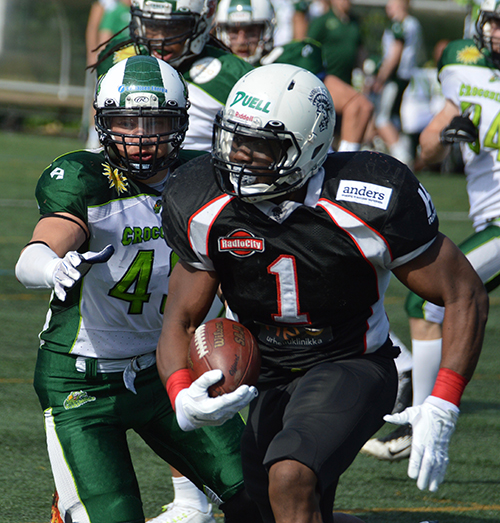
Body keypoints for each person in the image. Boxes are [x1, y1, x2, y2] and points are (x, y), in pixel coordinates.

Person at [155, 63, 488, 523]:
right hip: (265, 372)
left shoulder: (366, 196)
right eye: (235, 139)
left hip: (349, 361)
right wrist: (180, 393)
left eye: (261, 145)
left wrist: (444, 401)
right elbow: (181, 317)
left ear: (309, 146)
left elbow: (464, 293)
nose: (240, 157)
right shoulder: (200, 199)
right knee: (256, 510)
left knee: (290, 478)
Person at [15, 55, 262, 523]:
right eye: (127, 121)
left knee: (258, 496)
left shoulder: (205, 176)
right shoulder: (84, 178)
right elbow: (38, 250)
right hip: (82, 381)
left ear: (181, 122)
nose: (141, 135)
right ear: (103, 121)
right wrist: (53, 267)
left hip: (167, 367)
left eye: (156, 122)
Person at [363, 0, 500, 463]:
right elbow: (426, 146)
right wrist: (446, 135)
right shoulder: (463, 63)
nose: (498, 33)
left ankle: (421, 418)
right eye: (495, 23)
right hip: (488, 218)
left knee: (428, 300)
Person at [93, 0, 254, 158]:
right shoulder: (119, 58)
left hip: (199, 170)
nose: (160, 39)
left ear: (201, 22)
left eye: (174, 27)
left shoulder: (234, 74)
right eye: (152, 25)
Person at [213, 0, 373, 152]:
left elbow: (358, 105)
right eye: (233, 31)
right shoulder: (208, 68)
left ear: (266, 30)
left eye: (251, 32)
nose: (241, 40)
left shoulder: (286, 65)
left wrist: (343, 159)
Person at [368, 0, 424, 165]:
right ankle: (398, 151)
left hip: (395, 77)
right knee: (393, 118)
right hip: (406, 77)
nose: (388, 6)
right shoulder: (414, 23)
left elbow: (395, 54)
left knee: (382, 118)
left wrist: (381, 78)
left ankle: (402, 157)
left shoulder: (400, 24)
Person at [306, 0, 362, 85]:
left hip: (347, 79)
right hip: (326, 79)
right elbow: (308, 46)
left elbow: (360, 49)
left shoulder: (354, 22)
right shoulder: (322, 21)